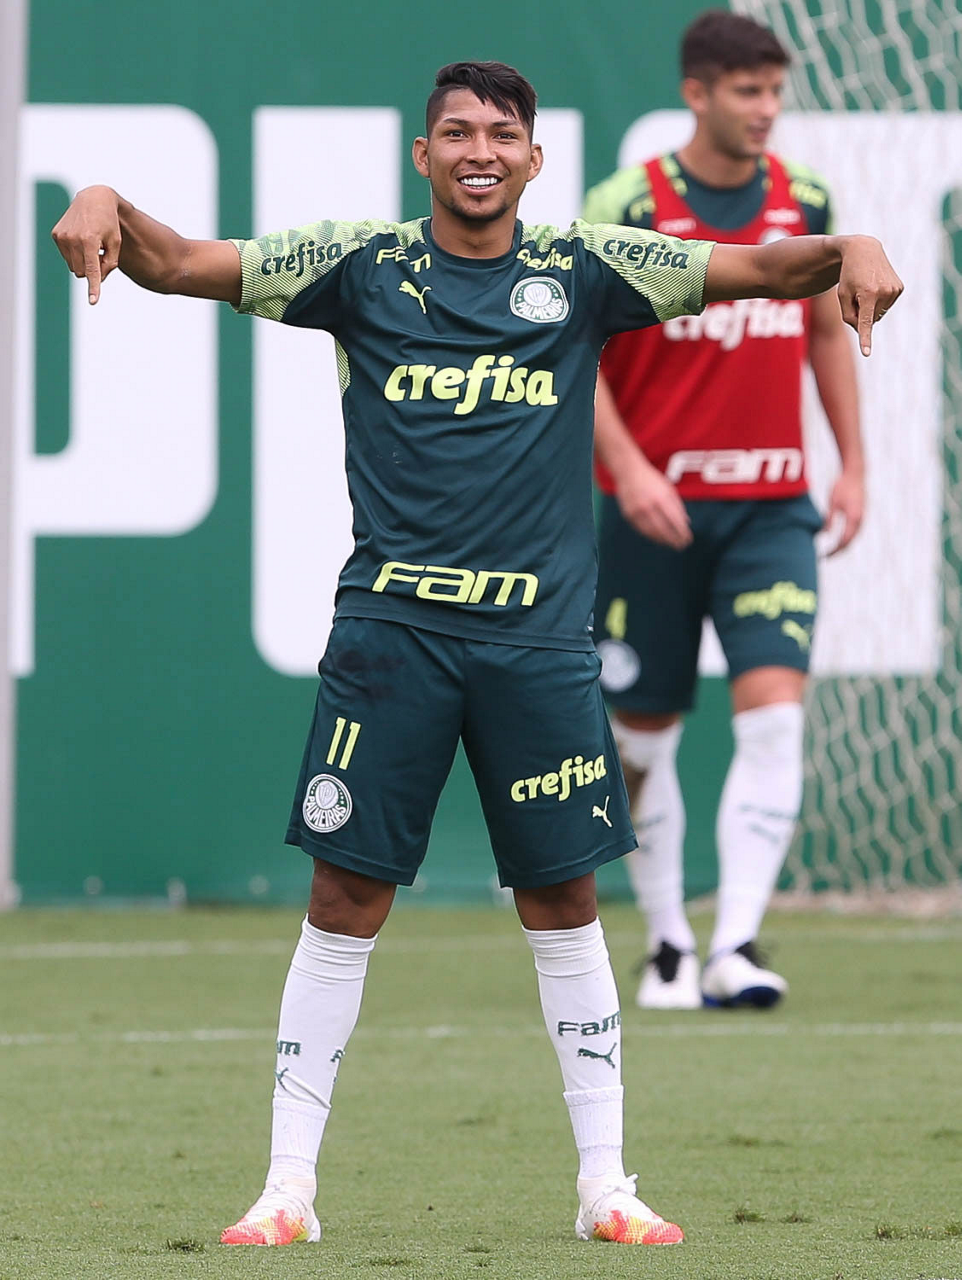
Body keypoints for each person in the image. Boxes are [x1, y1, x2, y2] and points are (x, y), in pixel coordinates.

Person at [51, 59, 899, 1248]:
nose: (478, 152)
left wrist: (849, 242)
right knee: (343, 897)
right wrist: (104, 199)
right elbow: (183, 261)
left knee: (562, 897)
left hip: (538, 643)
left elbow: (757, 268)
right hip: (390, 636)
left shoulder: (585, 267)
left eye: (501, 135)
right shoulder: (356, 264)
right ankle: (287, 1188)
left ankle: (604, 1185)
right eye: (456, 133)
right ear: (424, 154)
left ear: (533, 159)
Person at [584, 11, 865, 1013]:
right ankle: (666, 943)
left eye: (774, 90)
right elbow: (578, 353)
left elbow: (824, 334)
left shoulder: (805, 199)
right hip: (652, 513)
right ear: (695, 93)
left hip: (772, 508)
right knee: (643, 738)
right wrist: (629, 470)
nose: (766, 109)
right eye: (748, 91)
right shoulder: (626, 204)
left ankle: (734, 943)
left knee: (776, 719)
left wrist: (852, 464)